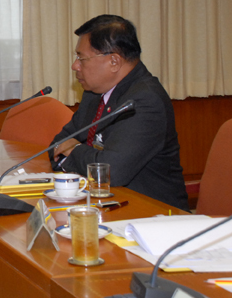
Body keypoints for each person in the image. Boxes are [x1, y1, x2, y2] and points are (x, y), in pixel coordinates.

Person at [50, 15, 189, 211]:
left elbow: (111, 172)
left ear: (114, 61)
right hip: (105, 204)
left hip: (151, 213)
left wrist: (74, 150)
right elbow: (57, 145)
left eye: (81, 58)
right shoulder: (94, 93)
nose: (75, 65)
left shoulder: (145, 100)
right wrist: (79, 154)